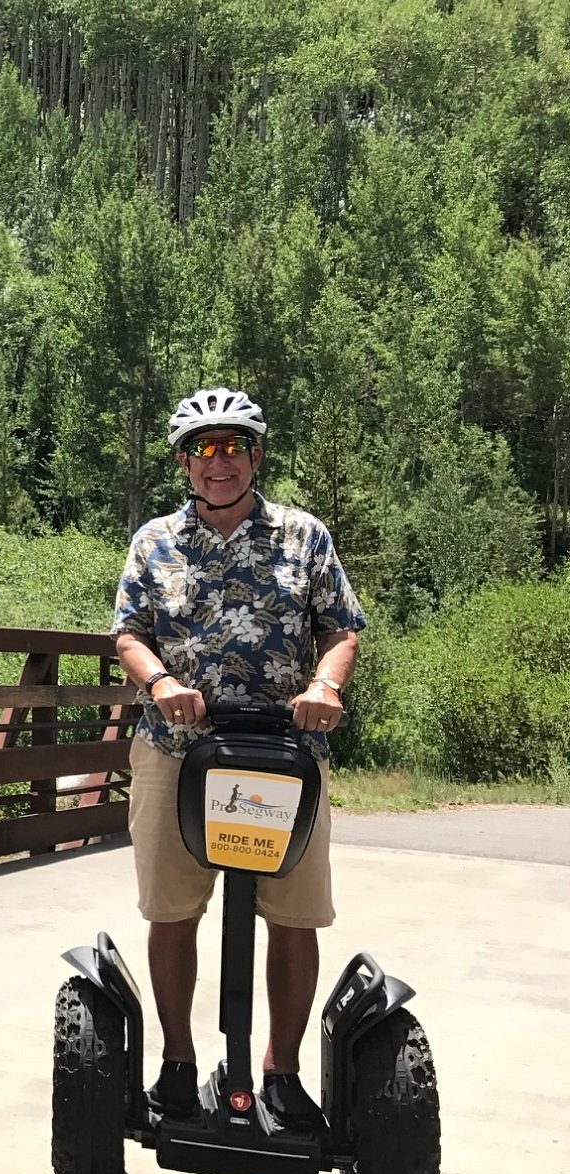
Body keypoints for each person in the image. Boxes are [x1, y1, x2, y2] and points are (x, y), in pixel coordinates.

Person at [112, 387, 363, 1130]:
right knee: (171, 911)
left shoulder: (304, 535)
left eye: (231, 447)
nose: (216, 463)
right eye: (201, 449)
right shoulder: (154, 541)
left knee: (294, 916)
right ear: (185, 463)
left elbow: (342, 627)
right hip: (175, 748)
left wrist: (325, 683)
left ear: (255, 455)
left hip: (284, 750)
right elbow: (127, 631)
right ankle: (180, 1064)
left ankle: (279, 1074)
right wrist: (158, 681)